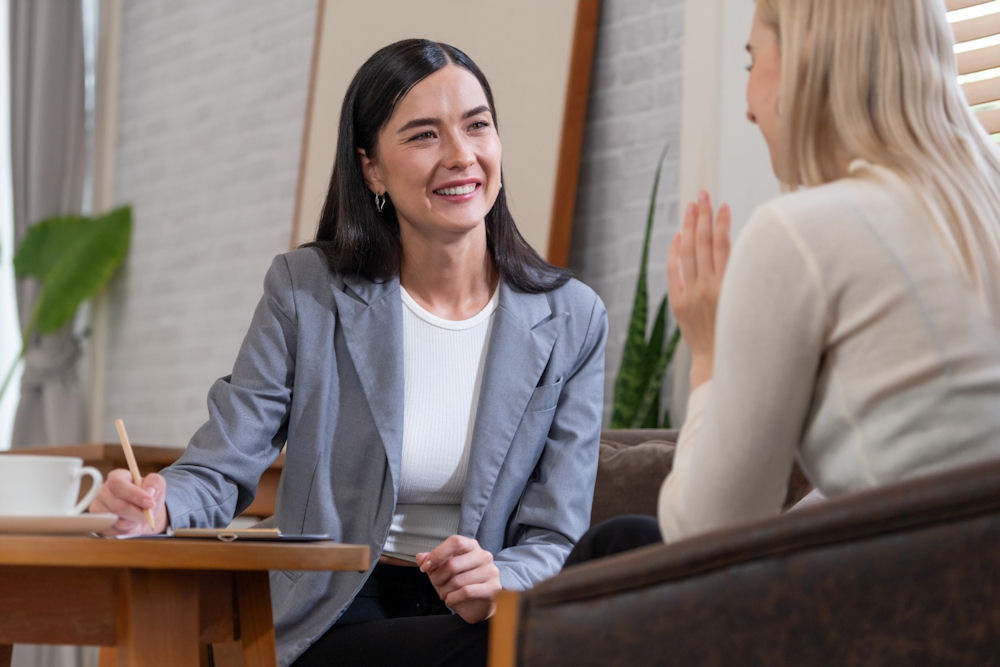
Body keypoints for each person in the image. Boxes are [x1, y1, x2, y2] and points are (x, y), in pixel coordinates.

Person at [90, 39, 608, 666]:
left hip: (478, 613)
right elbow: (222, 465)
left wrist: (503, 580)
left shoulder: (572, 317)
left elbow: (557, 535)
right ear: (372, 170)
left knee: (630, 547)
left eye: (477, 126)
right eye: (424, 135)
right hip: (337, 613)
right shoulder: (306, 292)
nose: (461, 155)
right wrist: (155, 505)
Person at [569, 0, 1000, 564]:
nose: (749, 108)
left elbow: (705, 537)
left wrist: (708, 355)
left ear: (805, 59)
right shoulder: (980, 210)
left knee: (615, 545)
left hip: (907, 599)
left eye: (752, 62)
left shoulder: (803, 233)